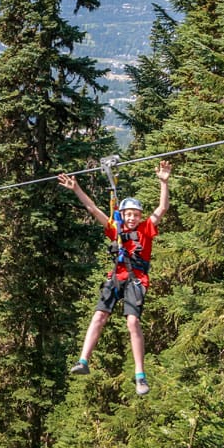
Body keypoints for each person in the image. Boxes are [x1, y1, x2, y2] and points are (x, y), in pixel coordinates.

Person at [57, 160, 172, 396]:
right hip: (116, 277)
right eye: (128, 214)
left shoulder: (145, 229)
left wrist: (163, 182)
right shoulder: (115, 228)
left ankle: (140, 376)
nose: (132, 218)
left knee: (132, 322)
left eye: (136, 215)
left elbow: (162, 209)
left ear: (140, 217)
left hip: (137, 279)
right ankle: (83, 360)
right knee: (99, 315)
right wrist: (77, 189)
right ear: (123, 215)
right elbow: (93, 210)